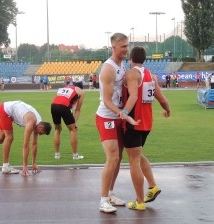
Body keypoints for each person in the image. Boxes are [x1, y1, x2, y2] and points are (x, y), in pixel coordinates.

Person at [121, 46, 170, 211]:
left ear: (130, 58)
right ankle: (152, 187)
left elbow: (133, 96)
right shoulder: (150, 75)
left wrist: (124, 113)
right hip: (146, 123)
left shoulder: (132, 74)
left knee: (133, 160)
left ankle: (139, 201)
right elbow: (161, 98)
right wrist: (167, 109)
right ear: (144, 59)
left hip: (133, 122)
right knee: (138, 155)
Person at [95, 33, 139, 213]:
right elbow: (106, 101)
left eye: (127, 46)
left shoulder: (123, 65)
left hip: (118, 116)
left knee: (119, 157)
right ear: (113, 47)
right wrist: (124, 114)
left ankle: (110, 194)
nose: (126, 49)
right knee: (112, 157)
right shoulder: (108, 69)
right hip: (106, 117)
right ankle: (103, 200)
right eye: (123, 47)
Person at [0, 101, 51, 176]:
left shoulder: (38, 123)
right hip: (5, 111)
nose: (39, 134)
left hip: (6, 110)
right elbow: (26, 145)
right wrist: (25, 167)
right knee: (9, 137)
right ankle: (5, 166)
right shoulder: (31, 122)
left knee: (0, 138)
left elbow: (34, 144)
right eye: (41, 133)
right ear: (40, 127)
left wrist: (34, 163)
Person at [51, 85, 84, 160]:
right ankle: (75, 155)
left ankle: (57, 155)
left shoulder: (65, 87)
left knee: (57, 129)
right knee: (73, 130)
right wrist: (75, 123)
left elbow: (63, 99)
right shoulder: (81, 92)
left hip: (53, 105)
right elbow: (78, 109)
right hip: (64, 106)